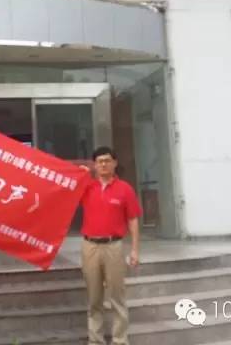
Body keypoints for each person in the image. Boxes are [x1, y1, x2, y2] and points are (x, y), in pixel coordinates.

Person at [80, 146, 142, 345]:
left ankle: (120, 340)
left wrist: (135, 250)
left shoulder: (125, 189)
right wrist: (79, 176)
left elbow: (133, 219)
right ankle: (95, 340)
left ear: (115, 163)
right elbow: (64, 191)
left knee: (117, 297)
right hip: (90, 246)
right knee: (94, 298)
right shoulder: (87, 187)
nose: (104, 164)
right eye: (99, 161)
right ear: (94, 165)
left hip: (113, 246)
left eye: (107, 160)